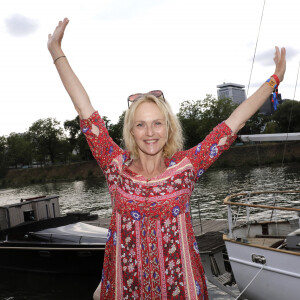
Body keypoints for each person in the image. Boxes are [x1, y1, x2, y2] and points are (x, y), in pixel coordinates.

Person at [47, 18, 286, 300]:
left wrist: (275, 78)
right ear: (131, 131)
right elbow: (83, 107)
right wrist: (56, 51)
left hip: (180, 289)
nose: (150, 132)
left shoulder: (187, 166)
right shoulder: (115, 167)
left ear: (169, 127)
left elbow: (234, 122)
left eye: (157, 123)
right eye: (140, 124)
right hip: (127, 290)